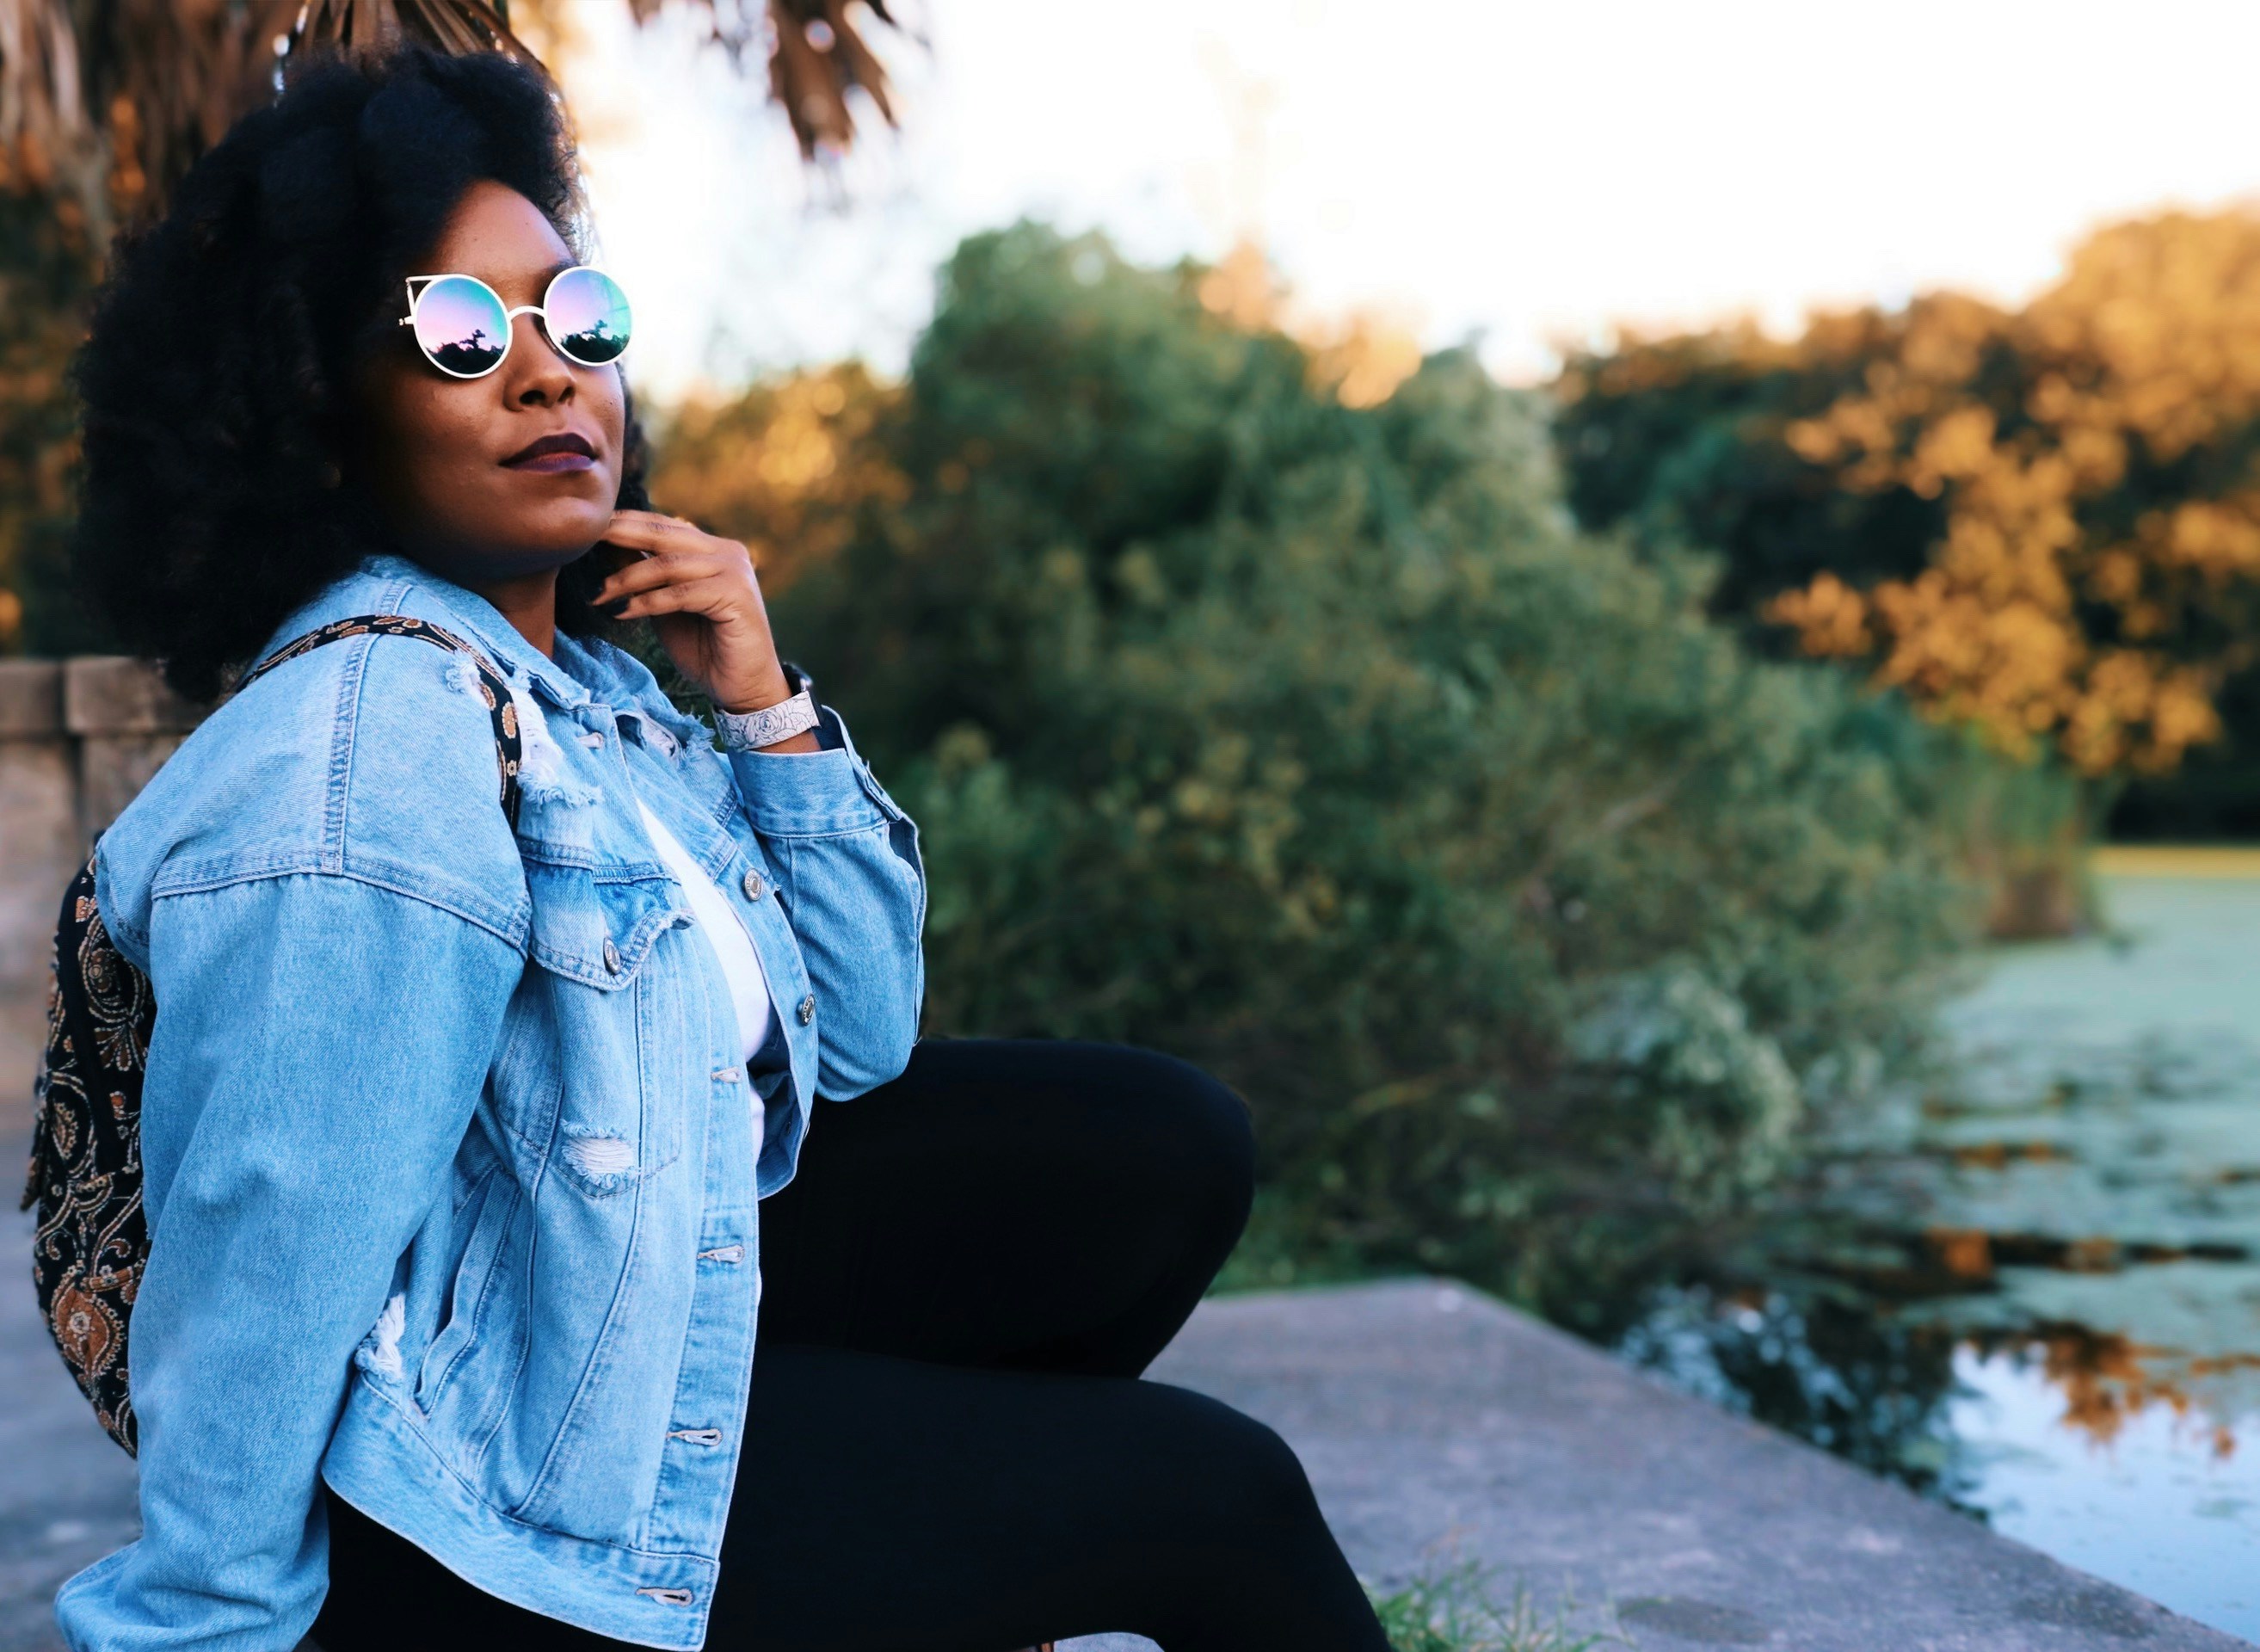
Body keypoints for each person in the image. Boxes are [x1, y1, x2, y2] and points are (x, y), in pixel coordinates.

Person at [49, 40, 1392, 1652]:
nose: (550, 375)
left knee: (1154, 1152)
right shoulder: (368, 751)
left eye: (577, 319)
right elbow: (267, 1251)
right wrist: (211, 1621)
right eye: (462, 335)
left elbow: (862, 1043)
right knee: (1207, 1497)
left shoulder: (587, 697)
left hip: (604, 1322)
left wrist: (762, 701)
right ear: (323, 421)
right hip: (457, 1513)